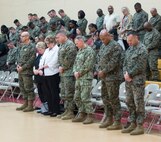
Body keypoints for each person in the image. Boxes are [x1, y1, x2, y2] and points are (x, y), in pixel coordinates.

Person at [122, 32, 147, 135]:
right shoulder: (129, 49)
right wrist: (125, 73)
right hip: (128, 81)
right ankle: (132, 123)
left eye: (131, 40)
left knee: (138, 103)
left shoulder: (142, 49)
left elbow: (140, 66)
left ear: (136, 37)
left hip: (137, 81)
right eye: (128, 41)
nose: (129, 42)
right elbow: (124, 63)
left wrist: (129, 74)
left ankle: (140, 125)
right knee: (129, 102)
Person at [96, 29, 122, 130]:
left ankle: (117, 121)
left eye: (103, 39)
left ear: (108, 36)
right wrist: (98, 70)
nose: (102, 41)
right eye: (101, 39)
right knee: (105, 98)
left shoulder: (115, 46)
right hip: (104, 77)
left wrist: (104, 71)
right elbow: (98, 59)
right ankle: (109, 118)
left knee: (113, 99)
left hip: (113, 77)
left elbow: (114, 62)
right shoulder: (103, 46)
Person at [72, 35, 96, 124]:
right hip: (78, 77)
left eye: (77, 43)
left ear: (82, 41)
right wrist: (75, 71)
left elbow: (88, 65)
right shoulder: (80, 51)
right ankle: (81, 113)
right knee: (77, 97)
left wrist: (79, 72)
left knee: (85, 97)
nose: (76, 45)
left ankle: (90, 115)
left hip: (86, 78)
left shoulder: (89, 51)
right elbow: (75, 63)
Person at [56, 31, 77, 120]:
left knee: (69, 93)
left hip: (69, 72)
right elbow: (60, 58)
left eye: (58, 38)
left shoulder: (70, 45)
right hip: (63, 72)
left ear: (63, 36)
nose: (56, 39)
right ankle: (66, 110)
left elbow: (70, 59)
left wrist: (63, 67)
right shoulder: (62, 45)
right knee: (64, 93)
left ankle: (71, 111)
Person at [38, 35, 60, 117]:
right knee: (48, 92)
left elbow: (55, 61)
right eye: (46, 43)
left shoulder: (57, 49)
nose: (47, 45)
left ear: (53, 42)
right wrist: (41, 67)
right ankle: (50, 109)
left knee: (54, 92)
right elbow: (42, 59)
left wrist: (46, 65)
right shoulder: (47, 50)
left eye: (48, 43)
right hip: (46, 73)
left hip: (53, 72)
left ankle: (55, 110)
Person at [16, 31, 36, 112]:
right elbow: (19, 57)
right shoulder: (21, 46)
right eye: (21, 36)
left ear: (27, 37)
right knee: (22, 87)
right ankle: (25, 103)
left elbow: (32, 59)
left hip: (27, 71)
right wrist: (18, 65)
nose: (21, 38)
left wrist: (23, 67)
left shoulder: (32, 46)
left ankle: (30, 105)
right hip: (20, 70)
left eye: (23, 36)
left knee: (28, 88)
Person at [33, 42, 48, 113]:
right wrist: (34, 70)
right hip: (37, 77)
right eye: (38, 50)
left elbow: (47, 65)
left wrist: (40, 71)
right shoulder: (38, 55)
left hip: (44, 76)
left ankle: (47, 108)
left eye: (40, 50)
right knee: (40, 92)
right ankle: (43, 107)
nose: (39, 51)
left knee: (45, 93)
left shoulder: (46, 55)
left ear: (44, 48)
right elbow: (35, 64)